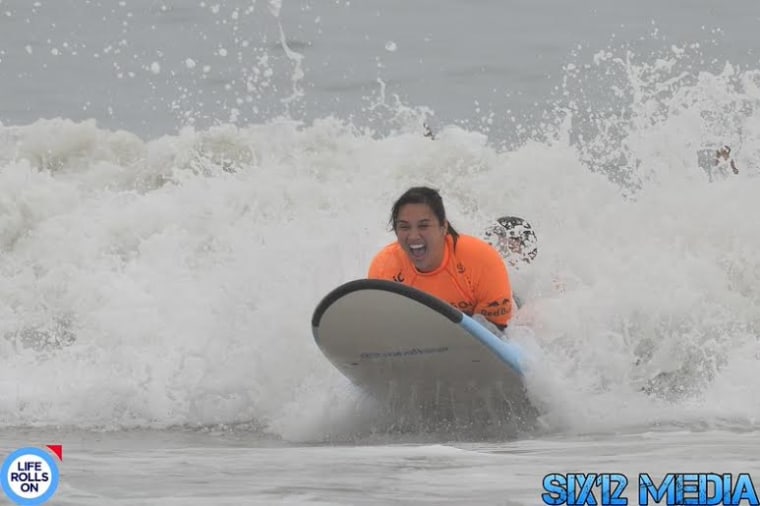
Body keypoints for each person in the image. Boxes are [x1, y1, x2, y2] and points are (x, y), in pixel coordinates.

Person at [368, 186, 515, 331]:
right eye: (404, 227)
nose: (413, 236)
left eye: (423, 226)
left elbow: (497, 333)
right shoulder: (384, 269)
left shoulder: (481, 261)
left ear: (443, 227)